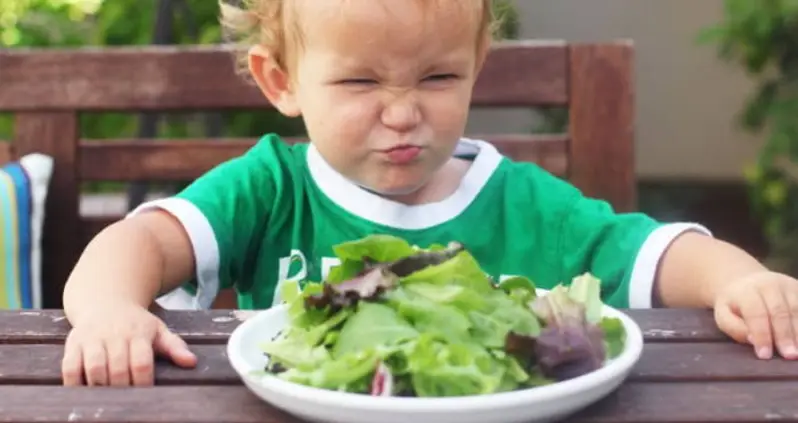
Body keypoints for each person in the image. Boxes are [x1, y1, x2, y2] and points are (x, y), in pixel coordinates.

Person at [61, 0, 798, 387]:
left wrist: (743, 279)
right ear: (280, 81)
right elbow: (141, 241)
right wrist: (108, 310)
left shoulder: (523, 202)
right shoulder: (270, 186)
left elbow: (657, 253)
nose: (404, 111)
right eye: (358, 81)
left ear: (477, 63)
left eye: (439, 78)